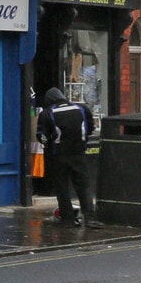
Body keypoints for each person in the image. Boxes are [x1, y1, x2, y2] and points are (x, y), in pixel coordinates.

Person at [38, 85, 97, 226]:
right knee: (83, 186)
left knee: (62, 187)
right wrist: (82, 141)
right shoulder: (81, 109)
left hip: (59, 154)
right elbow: (90, 127)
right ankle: (90, 218)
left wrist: (48, 145)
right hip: (79, 153)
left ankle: (67, 218)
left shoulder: (48, 113)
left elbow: (42, 136)